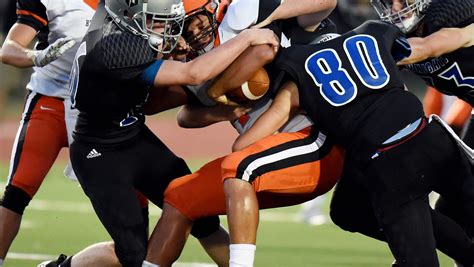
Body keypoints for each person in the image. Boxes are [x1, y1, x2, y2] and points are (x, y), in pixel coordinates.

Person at [235, 19, 474, 266]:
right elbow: (423, 49)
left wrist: (233, 109)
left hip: (391, 163)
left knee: (410, 253)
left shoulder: (295, 79)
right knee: (347, 210)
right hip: (433, 138)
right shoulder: (372, 33)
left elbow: (244, 145)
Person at [67, 0, 278, 265]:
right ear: (127, 17)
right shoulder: (115, 47)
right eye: (157, 21)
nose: (167, 28)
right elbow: (194, 73)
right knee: (131, 254)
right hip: (100, 154)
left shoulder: (118, 23)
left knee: (200, 216)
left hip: (134, 137)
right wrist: (247, 37)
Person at [329, 1, 474, 265]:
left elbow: (430, 46)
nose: (395, 7)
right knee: (452, 213)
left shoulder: (458, 19)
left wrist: (370, 51)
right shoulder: (401, 35)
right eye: (388, 1)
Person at [0, 0, 98, 266]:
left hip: (101, 111)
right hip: (51, 101)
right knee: (17, 192)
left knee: (130, 202)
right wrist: (35, 56)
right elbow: (9, 49)